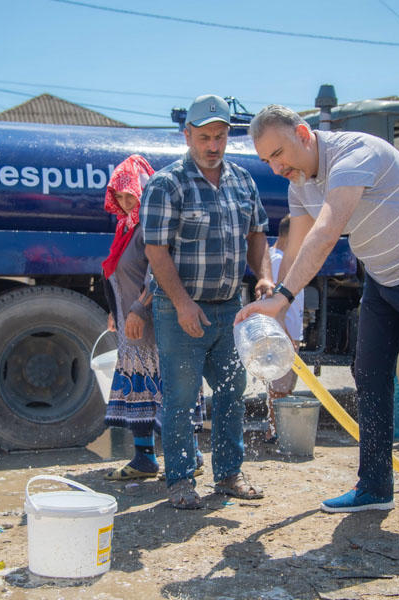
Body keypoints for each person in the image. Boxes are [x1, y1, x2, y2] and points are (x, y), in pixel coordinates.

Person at [236, 105, 399, 548]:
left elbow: (326, 233)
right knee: (368, 376)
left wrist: (284, 298)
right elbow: (296, 246)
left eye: (279, 153)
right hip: (385, 280)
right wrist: (277, 305)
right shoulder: (298, 183)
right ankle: (375, 487)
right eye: (267, 160)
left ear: (304, 134)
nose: (277, 166)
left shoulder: (355, 155)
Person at [140, 94, 274, 509]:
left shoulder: (242, 181)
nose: (213, 145)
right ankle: (180, 481)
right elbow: (156, 251)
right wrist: (181, 304)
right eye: (204, 137)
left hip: (229, 307)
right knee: (181, 396)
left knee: (233, 390)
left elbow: (257, 235)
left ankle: (229, 474)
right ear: (187, 136)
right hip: (179, 309)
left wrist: (265, 276)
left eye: (220, 137)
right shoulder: (167, 184)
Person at [100, 155, 204, 481]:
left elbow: (158, 272)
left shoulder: (152, 225)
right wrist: (114, 310)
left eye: (130, 192)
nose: (124, 199)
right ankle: (144, 459)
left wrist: (139, 308)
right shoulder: (126, 227)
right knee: (141, 394)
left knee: (169, 392)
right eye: (119, 194)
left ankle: (192, 455)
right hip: (132, 330)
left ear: (145, 189)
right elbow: (117, 273)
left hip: (156, 324)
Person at [265, 214, 305, 443]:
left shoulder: (275, 256)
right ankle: (275, 430)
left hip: (286, 333)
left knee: (282, 385)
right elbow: (276, 303)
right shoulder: (280, 260)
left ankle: (277, 428)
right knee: (279, 387)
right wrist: (287, 336)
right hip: (283, 335)